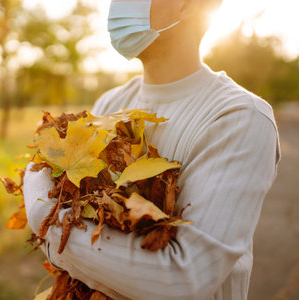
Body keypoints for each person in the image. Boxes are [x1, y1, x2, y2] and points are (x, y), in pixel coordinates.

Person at [23, 0, 281, 299]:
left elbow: (183, 279)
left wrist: (47, 220)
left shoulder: (237, 117)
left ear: (187, 6)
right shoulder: (110, 103)